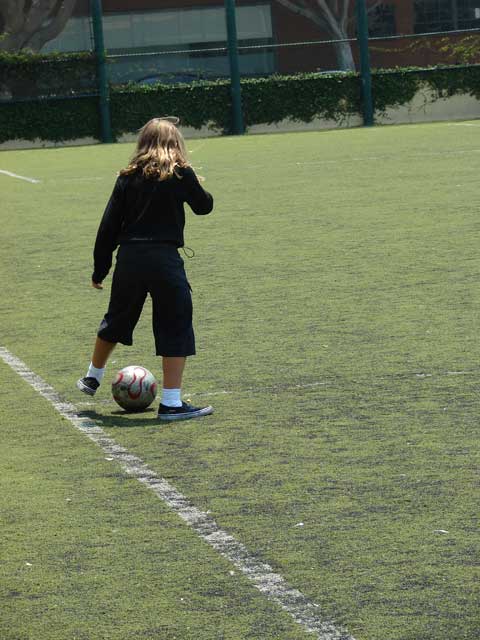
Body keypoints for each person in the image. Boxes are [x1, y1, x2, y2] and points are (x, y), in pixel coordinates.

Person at [77, 117, 214, 421]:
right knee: (175, 323)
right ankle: (171, 403)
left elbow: (108, 227)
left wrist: (100, 270)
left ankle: (92, 376)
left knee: (117, 317)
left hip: (130, 258)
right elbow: (204, 206)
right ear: (176, 143)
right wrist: (191, 179)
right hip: (164, 259)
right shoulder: (180, 173)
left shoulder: (127, 177)